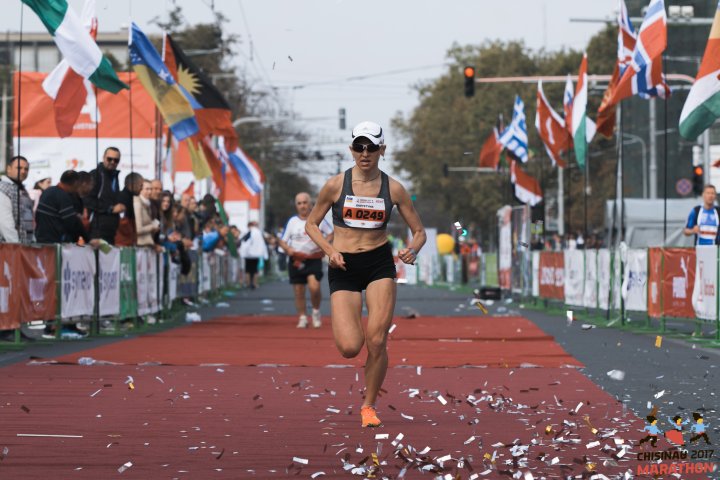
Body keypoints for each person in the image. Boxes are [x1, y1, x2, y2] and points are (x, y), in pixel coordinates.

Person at [305, 121, 426, 428]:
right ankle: (365, 386)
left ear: (382, 150)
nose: (365, 153)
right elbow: (311, 224)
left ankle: (369, 407)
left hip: (379, 265)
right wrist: (328, 250)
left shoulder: (394, 188)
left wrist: (413, 249)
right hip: (342, 265)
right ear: (351, 150)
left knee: (376, 340)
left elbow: (420, 231)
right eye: (359, 146)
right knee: (349, 348)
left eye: (371, 147)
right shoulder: (335, 185)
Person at [276, 192, 334, 328]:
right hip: (296, 259)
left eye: (305, 202)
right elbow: (282, 241)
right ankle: (302, 317)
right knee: (298, 290)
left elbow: (331, 233)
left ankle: (315, 312)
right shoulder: (292, 222)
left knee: (314, 286)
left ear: (310, 204)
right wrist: (288, 249)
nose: (302, 206)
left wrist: (323, 244)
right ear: (296, 206)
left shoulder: (317, 219)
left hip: (313, 258)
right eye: (299, 203)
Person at [84, 147, 125, 244]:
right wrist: (110, 208)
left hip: (111, 230)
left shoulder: (114, 176)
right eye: (109, 159)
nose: (112, 162)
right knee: (97, 258)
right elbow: (87, 200)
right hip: (96, 230)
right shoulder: (95, 175)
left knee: (109, 258)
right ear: (103, 158)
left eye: (116, 160)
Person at [35, 170, 86, 243]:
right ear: (75, 183)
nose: (76, 189)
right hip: (54, 242)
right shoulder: (63, 197)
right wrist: (87, 239)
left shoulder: (48, 191)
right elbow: (71, 223)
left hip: (41, 240)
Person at [0, 155, 35, 244]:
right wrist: (17, 247)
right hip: (9, 249)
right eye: (19, 168)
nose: (23, 171)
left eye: (26, 169)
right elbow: (6, 225)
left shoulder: (22, 189)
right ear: (9, 169)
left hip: (25, 247)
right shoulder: (3, 189)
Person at [114, 172, 144, 247]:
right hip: (122, 243)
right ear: (132, 184)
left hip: (127, 242)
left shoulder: (132, 198)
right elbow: (123, 222)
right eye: (140, 185)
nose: (141, 188)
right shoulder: (123, 198)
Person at [240, 221, 268, 289]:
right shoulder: (258, 232)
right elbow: (262, 243)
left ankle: (248, 283)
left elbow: (244, 241)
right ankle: (255, 283)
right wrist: (263, 253)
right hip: (256, 254)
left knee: (248, 270)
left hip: (248, 255)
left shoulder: (248, 232)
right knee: (255, 270)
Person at [134, 180, 160, 247]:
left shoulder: (147, 204)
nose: (150, 192)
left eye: (151, 189)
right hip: (140, 245)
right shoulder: (137, 203)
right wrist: (152, 227)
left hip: (147, 244)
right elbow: (138, 229)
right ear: (140, 189)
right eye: (147, 189)